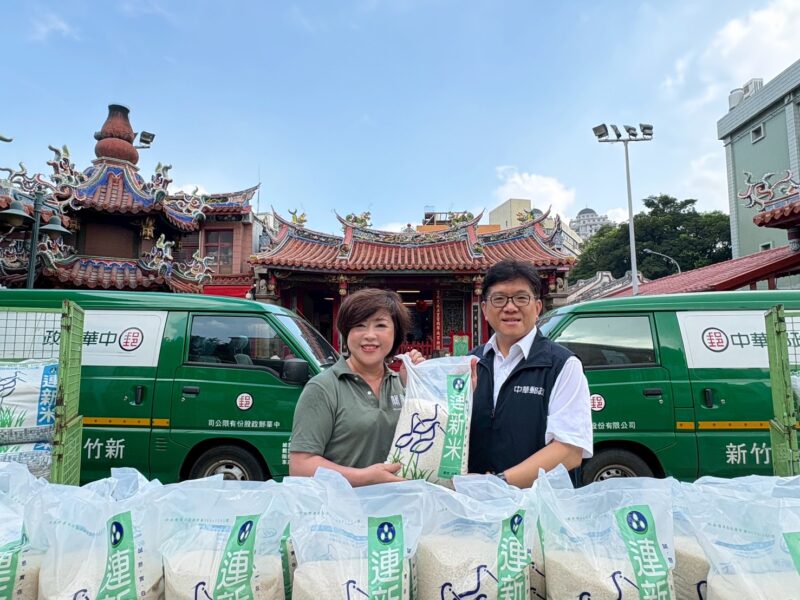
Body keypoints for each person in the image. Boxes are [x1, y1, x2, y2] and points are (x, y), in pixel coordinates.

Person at [469, 259, 592, 488]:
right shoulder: (470, 363)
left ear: (537, 307)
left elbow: (569, 450)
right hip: (474, 502)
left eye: (521, 298)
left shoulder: (562, 365)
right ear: (485, 309)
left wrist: (497, 484)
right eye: (499, 299)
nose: (510, 307)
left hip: (538, 503)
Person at [289, 288, 424, 486]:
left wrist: (417, 386)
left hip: (399, 502)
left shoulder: (401, 384)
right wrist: (364, 477)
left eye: (380, 325)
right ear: (346, 333)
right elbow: (300, 466)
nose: (369, 335)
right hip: (343, 504)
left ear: (396, 333)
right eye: (359, 325)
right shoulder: (324, 387)